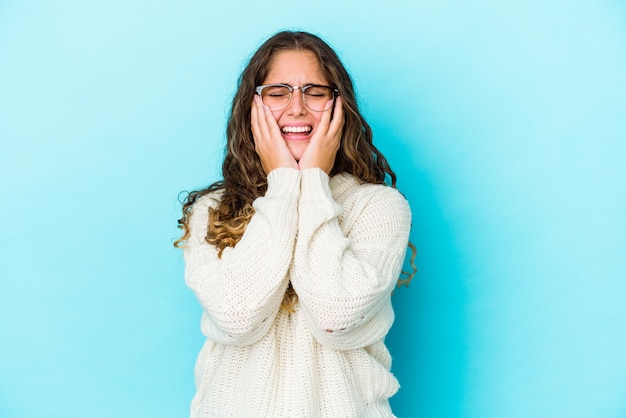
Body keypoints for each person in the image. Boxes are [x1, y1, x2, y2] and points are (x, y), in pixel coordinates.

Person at [175, 30, 416, 418]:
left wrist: (312, 184)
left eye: (315, 92)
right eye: (278, 91)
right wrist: (285, 183)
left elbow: (335, 316)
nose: (297, 108)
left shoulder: (379, 207)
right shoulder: (213, 210)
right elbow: (238, 318)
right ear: (252, 105)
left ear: (339, 106)